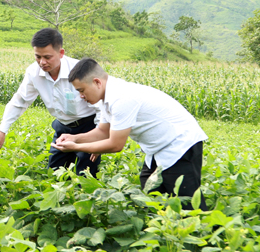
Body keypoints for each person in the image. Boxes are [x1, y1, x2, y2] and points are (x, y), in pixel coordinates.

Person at [53, 58, 208, 209]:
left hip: (180, 144)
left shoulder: (121, 98)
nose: (81, 96)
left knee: (188, 205)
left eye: (81, 90)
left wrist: (76, 147)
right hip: (157, 149)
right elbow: (103, 131)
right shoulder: (107, 97)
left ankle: (208, 232)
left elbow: (115, 145)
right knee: (151, 192)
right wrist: (75, 138)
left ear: (97, 82)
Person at [0, 28, 101, 176]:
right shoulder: (33, 73)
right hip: (63, 128)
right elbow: (20, 101)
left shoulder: (81, 71)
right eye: (37, 57)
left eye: (47, 57)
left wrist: (99, 137)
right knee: (54, 173)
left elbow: (101, 105)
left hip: (89, 127)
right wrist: (2, 131)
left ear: (61, 53)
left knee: (86, 174)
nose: (42, 62)